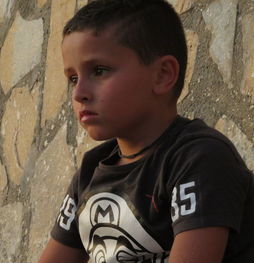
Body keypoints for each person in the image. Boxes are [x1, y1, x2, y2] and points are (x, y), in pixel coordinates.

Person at [38, 0, 254, 262]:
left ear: (162, 75)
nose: (79, 93)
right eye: (73, 78)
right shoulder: (90, 171)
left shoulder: (199, 159)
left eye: (99, 70)